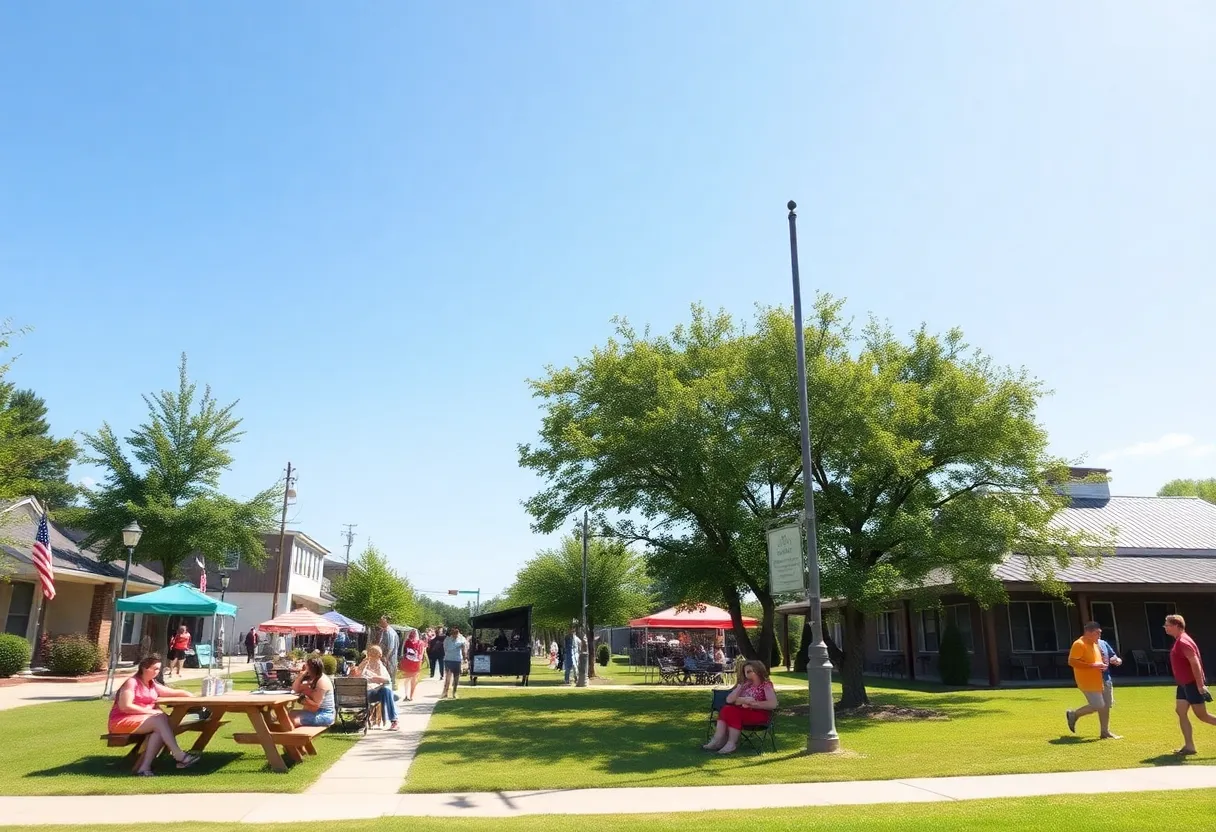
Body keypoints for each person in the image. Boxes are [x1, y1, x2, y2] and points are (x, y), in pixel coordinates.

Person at [107, 654, 200, 775]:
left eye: (159, 669)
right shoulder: (132, 682)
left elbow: (172, 692)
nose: (157, 672)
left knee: (160, 728)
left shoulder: (152, 684)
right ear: (145, 668)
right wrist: (150, 711)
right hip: (121, 721)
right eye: (155, 669)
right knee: (160, 719)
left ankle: (144, 768)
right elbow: (125, 706)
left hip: (144, 720)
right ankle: (179, 756)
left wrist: (190, 695)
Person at [1165, 614, 1216, 755]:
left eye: (1167, 625)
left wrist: (1200, 685)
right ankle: (1189, 746)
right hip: (1183, 684)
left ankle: (1189, 746)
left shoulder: (1183, 641)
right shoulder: (1179, 641)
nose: (1165, 627)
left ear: (1176, 625)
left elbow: (1195, 662)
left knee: (1203, 716)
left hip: (1192, 683)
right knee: (1180, 711)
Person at [703, 660, 777, 754]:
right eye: (746, 672)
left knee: (731, 711)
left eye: (751, 671)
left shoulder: (766, 685)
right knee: (726, 709)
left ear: (758, 670)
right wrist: (740, 689)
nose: (749, 674)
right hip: (743, 713)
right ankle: (718, 739)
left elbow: (773, 704)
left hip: (760, 715)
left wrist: (753, 704)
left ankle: (729, 743)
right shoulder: (746, 685)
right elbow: (729, 700)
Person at [1065, 621, 1118, 739]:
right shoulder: (1079, 644)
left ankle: (1105, 732)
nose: (1099, 636)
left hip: (1102, 679)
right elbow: (1072, 661)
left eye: (1100, 633)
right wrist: (1093, 666)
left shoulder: (1095, 644)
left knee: (1106, 705)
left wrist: (1104, 664)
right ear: (1088, 632)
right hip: (1088, 681)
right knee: (1098, 705)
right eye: (1097, 633)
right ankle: (1074, 714)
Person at [355, 645, 398, 730]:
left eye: (378, 654)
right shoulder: (364, 664)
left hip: (373, 692)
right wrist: (372, 679)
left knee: (386, 690)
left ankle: (394, 720)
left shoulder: (380, 665)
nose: (379, 656)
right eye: (377, 654)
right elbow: (357, 676)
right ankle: (394, 720)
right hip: (366, 693)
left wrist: (379, 679)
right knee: (387, 691)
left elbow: (388, 680)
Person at [291, 656, 335, 727]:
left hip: (324, 714)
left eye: (306, 666)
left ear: (310, 668)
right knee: (288, 715)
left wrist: (303, 699)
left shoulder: (321, 681)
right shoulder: (312, 679)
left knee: (292, 720)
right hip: (315, 712)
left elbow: (316, 706)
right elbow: (295, 689)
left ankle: (295, 737)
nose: (304, 667)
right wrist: (301, 675)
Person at [441, 626, 468, 699]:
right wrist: (455, 647)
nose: (455, 635)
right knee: (448, 677)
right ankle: (445, 692)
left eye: (456, 634)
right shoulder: (447, 640)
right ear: (451, 634)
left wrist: (465, 658)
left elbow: (464, 648)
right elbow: (445, 649)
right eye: (454, 634)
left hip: (457, 660)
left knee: (456, 677)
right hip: (448, 660)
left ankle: (454, 692)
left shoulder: (461, 639)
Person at [378, 615, 400, 698]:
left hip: (389, 659)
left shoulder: (390, 632)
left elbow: (391, 647)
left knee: (389, 677)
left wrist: (385, 658)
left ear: (387, 622)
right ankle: (387, 694)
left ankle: (390, 695)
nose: (380, 622)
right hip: (385, 658)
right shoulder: (384, 631)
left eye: (382, 621)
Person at [399, 628, 424, 701]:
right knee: (409, 679)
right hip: (410, 662)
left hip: (414, 663)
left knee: (412, 679)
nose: (413, 635)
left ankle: (410, 695)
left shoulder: (419, 643)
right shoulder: (408, 642)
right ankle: (408, 695)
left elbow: (421, 653)